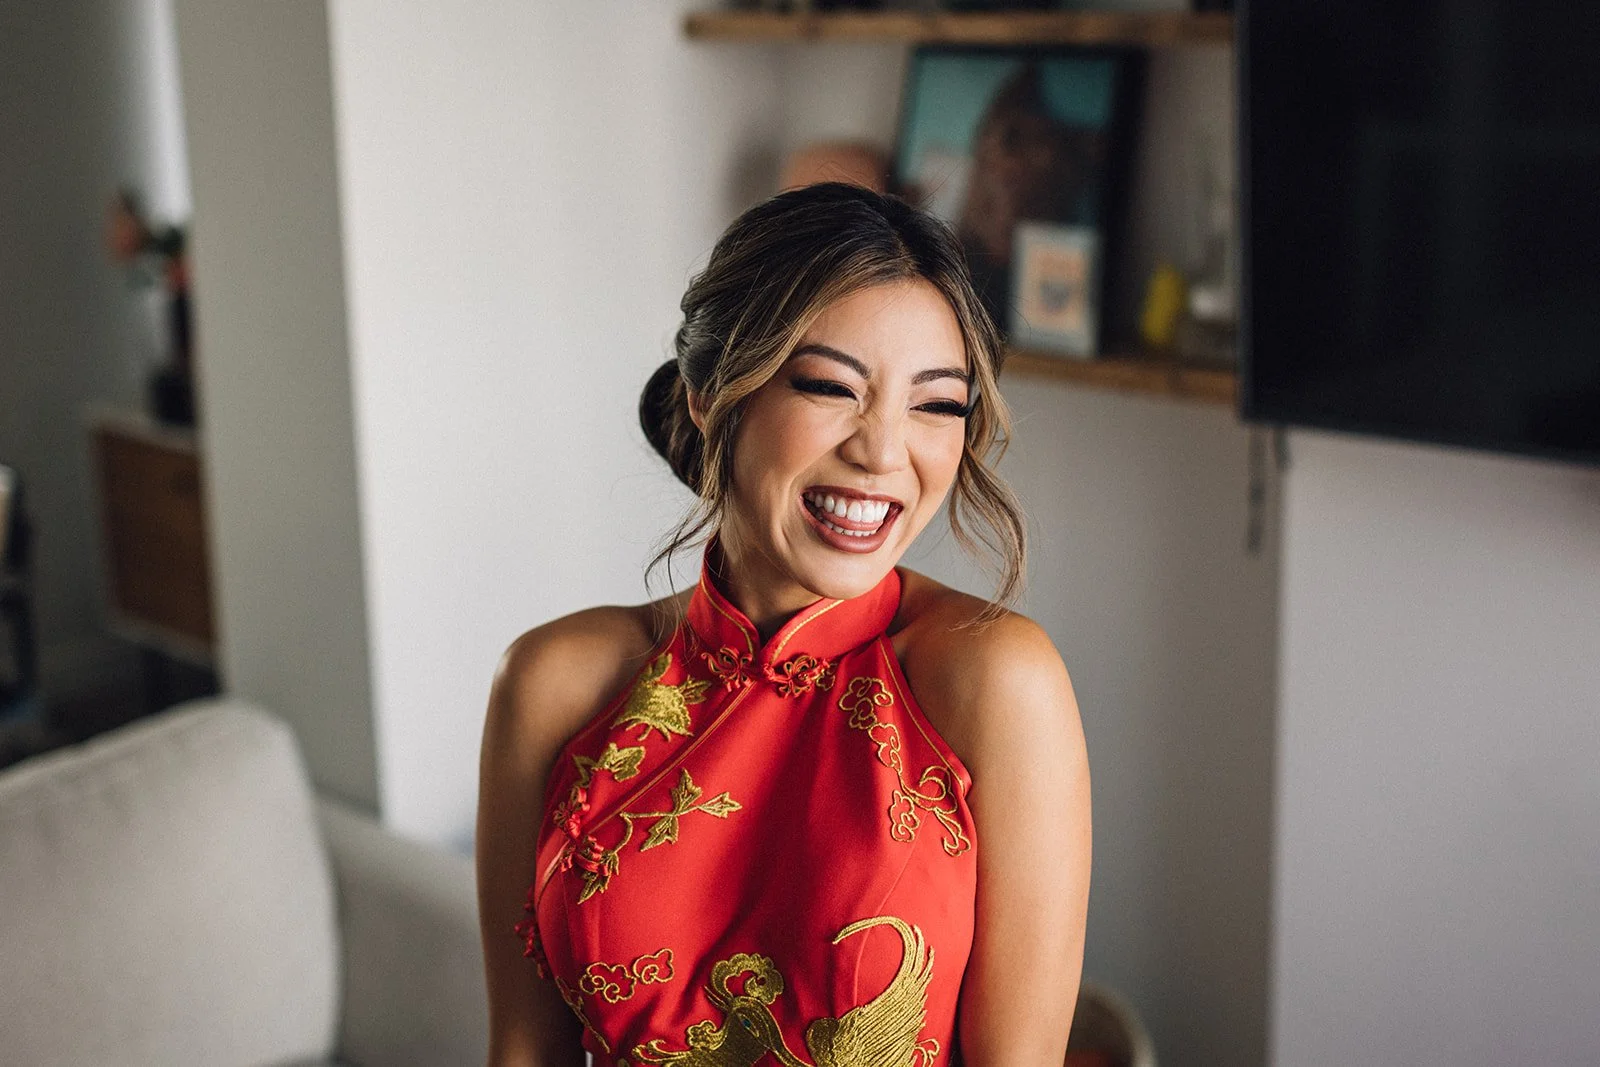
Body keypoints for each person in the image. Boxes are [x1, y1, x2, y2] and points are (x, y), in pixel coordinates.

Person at [477, 182, 1090, 1066]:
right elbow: (523, 1050)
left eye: (936, 404)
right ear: (709, 395)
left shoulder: (995, 681)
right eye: (832, 387)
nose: (884, 451)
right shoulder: (552, 682)